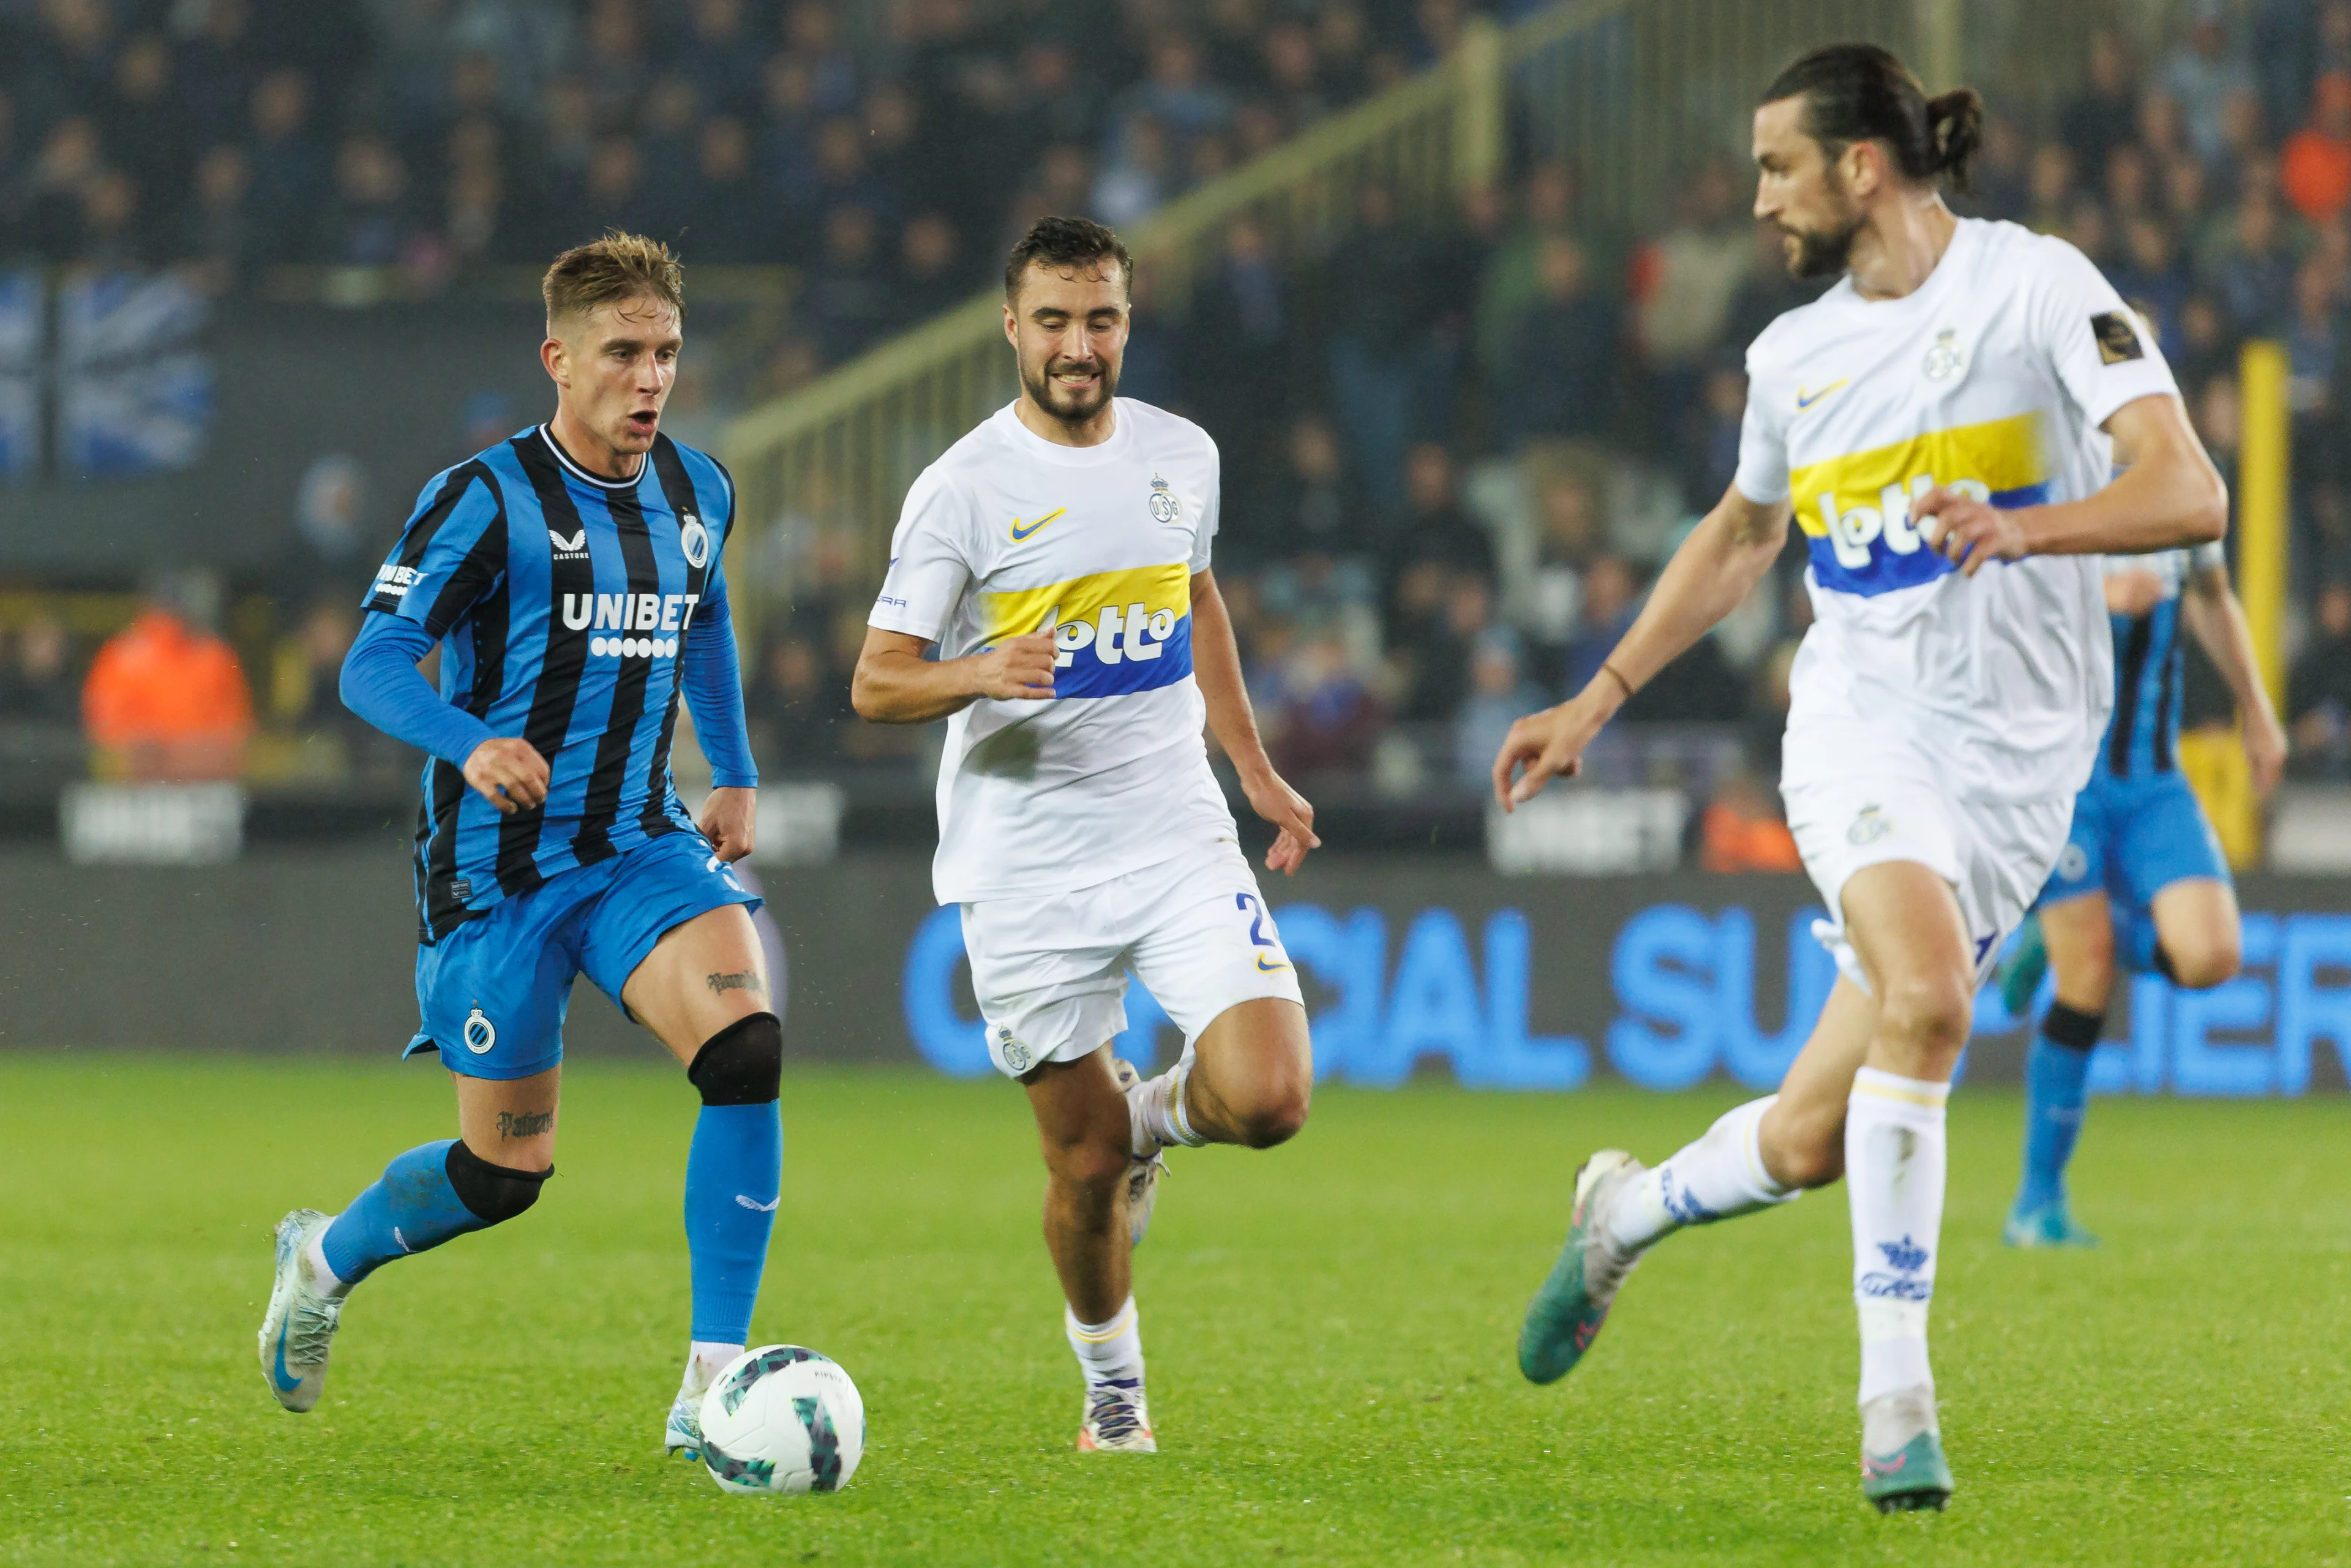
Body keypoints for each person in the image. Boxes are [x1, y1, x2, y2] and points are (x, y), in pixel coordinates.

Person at [1491, 45, 2226, 1514]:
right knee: (1935, 1001)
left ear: (1859, 167)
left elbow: (2186, 488)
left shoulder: (2035, 290)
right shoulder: (1792, 357)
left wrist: (2030, 527)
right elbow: (1740, 536)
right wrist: (1597, 691)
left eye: (1776, 167)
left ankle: (1621, 1212)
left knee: (1815, 1135)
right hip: (1860, 727)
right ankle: (1895, 1403)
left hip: (2018, 770)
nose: (1757, 196)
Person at [257, 235, 783, 1471]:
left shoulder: (701, 488)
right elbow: (372, 660)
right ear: (558, 358)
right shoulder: (483, 498)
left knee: (746, 1044)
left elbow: (703, 620)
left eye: (664, 353)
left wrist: (738, 765)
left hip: (639, 842)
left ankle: (712, 1383)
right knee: (506, 1171)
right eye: (622, 354)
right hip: (496, 872)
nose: (649, 379)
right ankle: (325, 1255)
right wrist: (471, 737)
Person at [852, 216, 1318, 1455]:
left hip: (1172, 827)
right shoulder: (962, 488)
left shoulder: (1182, 455)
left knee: (1271, 1094)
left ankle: (1160, 1116)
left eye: (1099, 318)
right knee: (1079, 1163)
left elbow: (1197, 596)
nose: (1076, 344)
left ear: (1127, 318)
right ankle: (1114, 1386)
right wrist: (976, 670)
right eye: (1052, 320)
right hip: (1028, 862)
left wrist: (1255, 768)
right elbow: (876, 681)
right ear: (1012, 327)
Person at [1994, 545, 2285, 1245]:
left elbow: (2213, 597)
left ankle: (2060, 931)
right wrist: (2092, 604)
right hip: (2064, 779)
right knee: (2086, 975)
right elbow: (1992, 617)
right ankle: (2036, 1204)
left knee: (2212, 955)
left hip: (2155, 783)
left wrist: (2257, 706)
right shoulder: (2056, 475)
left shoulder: (2187, 490)